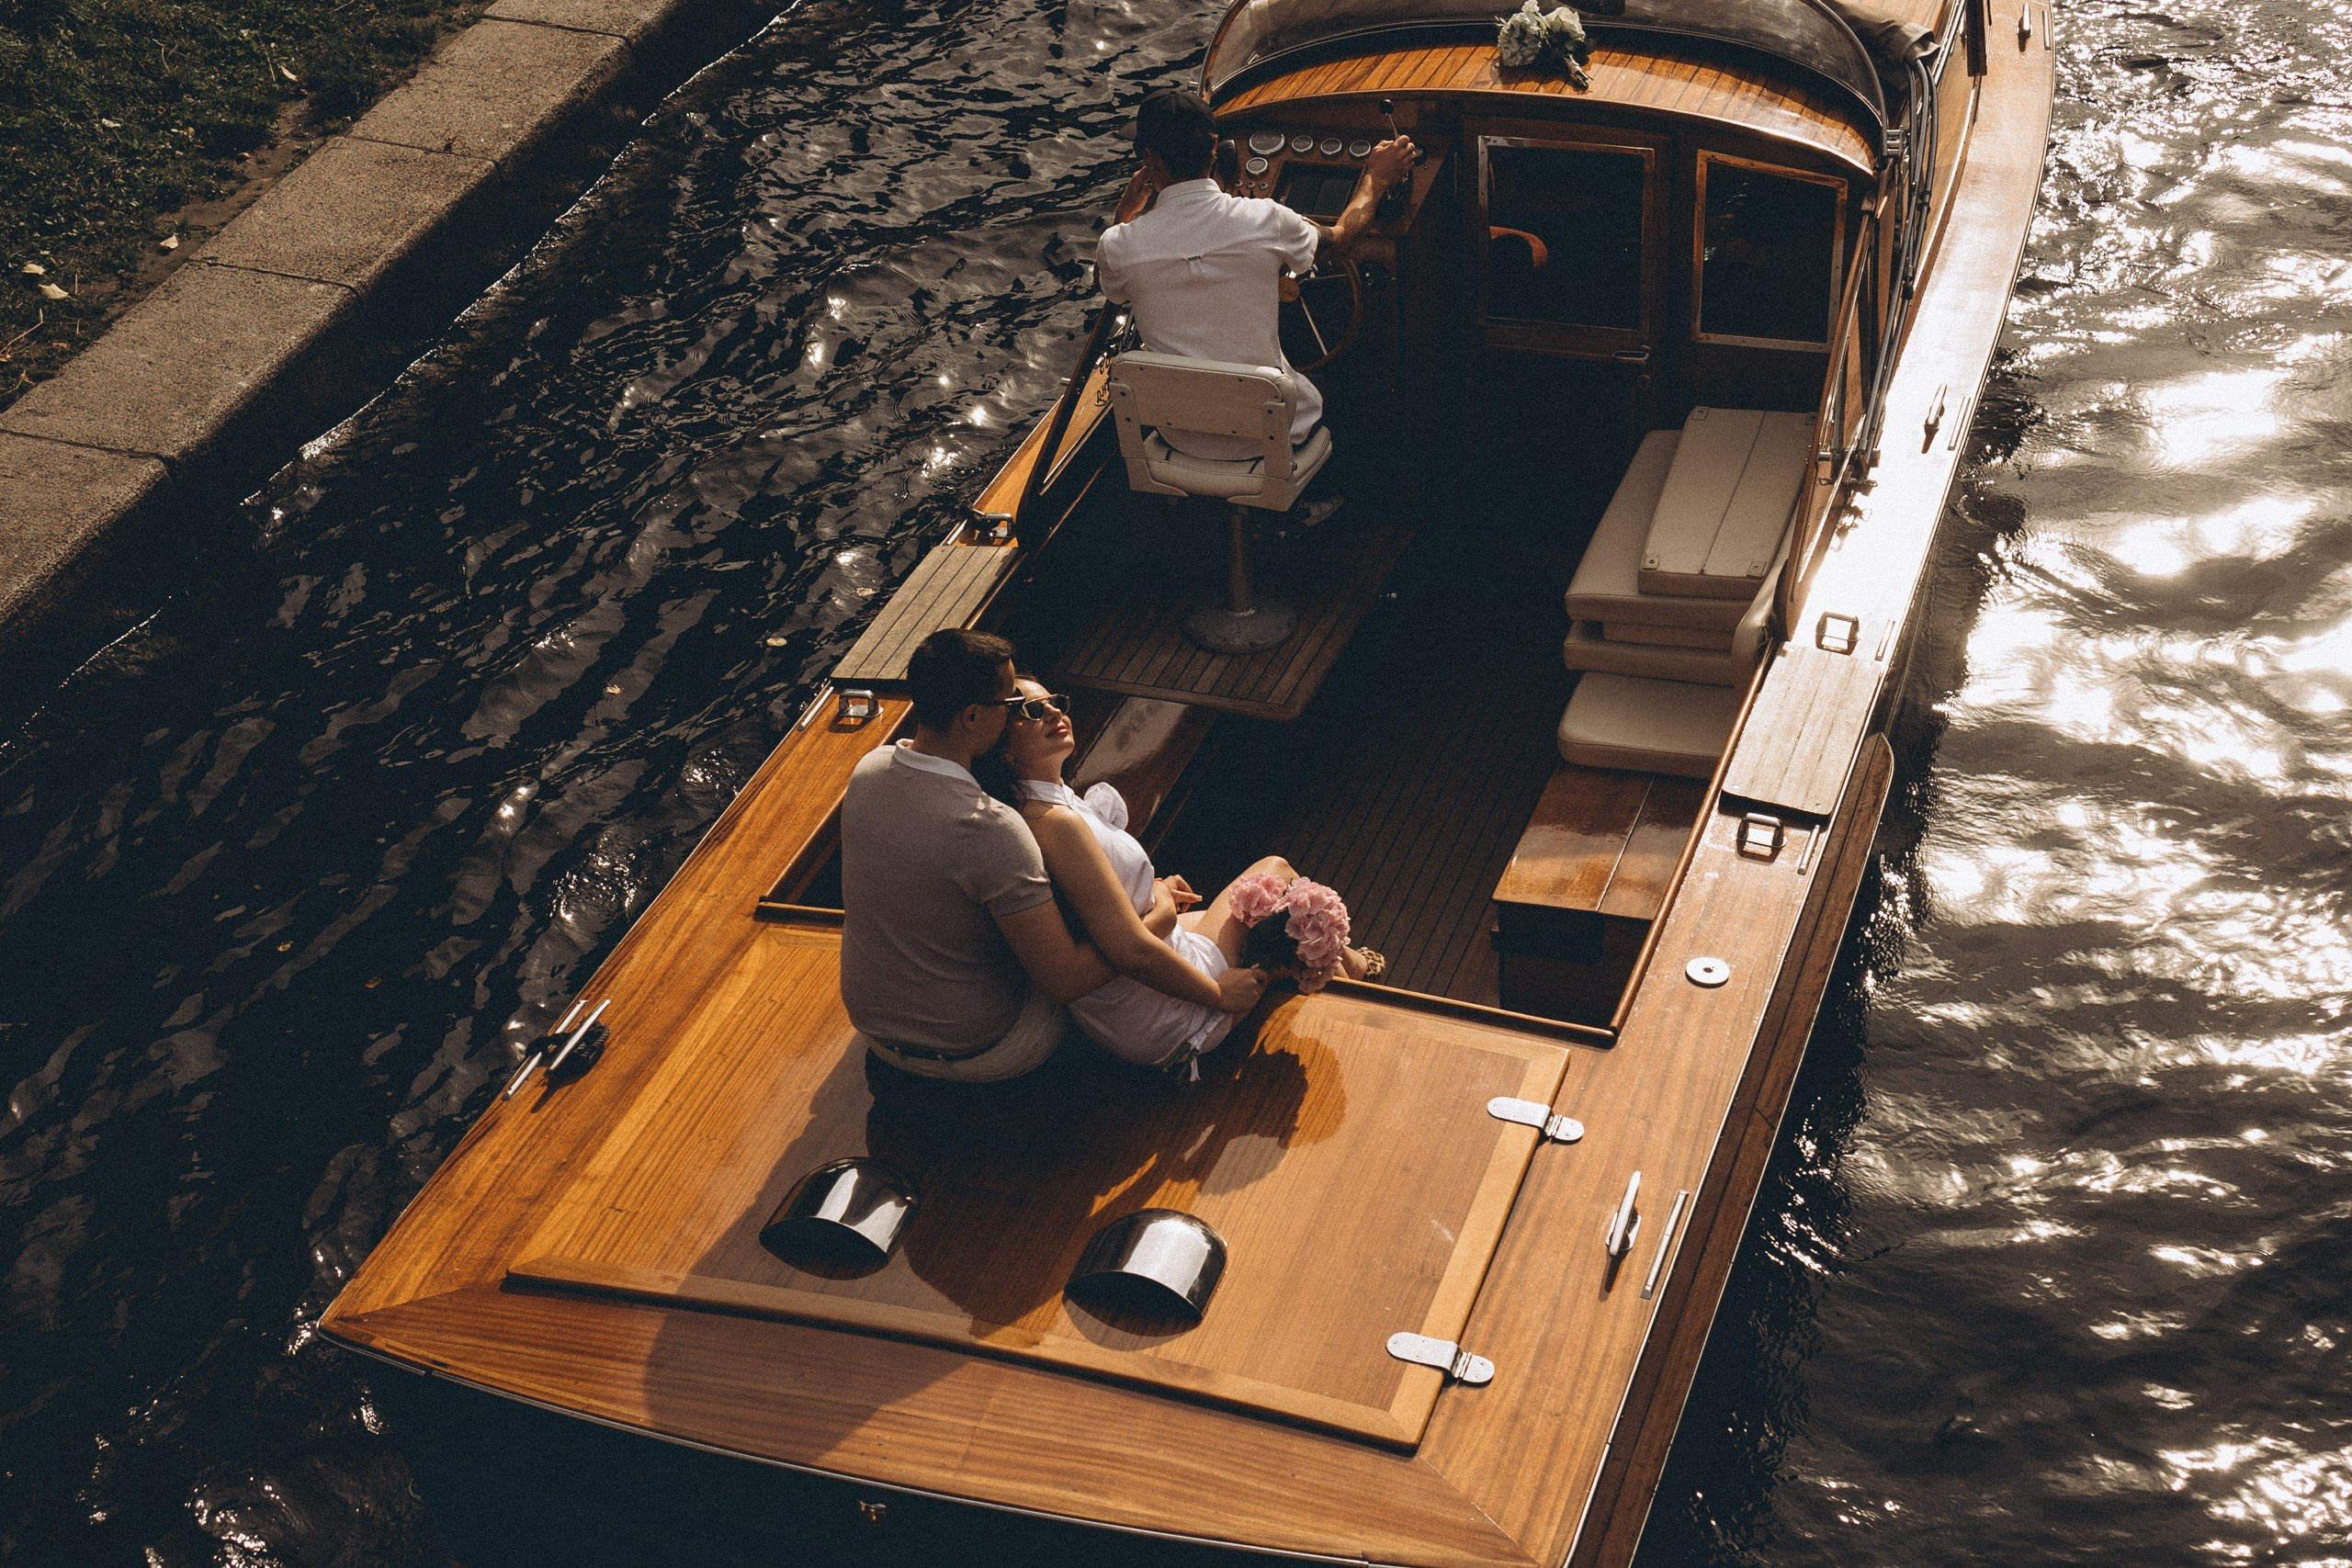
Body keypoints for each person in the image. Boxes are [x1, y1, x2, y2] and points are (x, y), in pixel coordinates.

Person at [978, 675, 1374, 1075]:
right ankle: (1354, 983)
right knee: (1275, 875)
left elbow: (1103, 899)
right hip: (1166, 1013)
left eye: (1057, 702)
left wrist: (1157, 888)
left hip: (1138, 996)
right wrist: (1219, 993)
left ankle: (1346, 968)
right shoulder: (1053, 823)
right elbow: (1131, 951)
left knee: (1272, 918)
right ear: (1003, 750)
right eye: (1031, 710)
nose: (1053, 712)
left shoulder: (1048, 802)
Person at [838, 630, 1124, 1082]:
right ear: (972, 716)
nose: (1017, 714)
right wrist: (1155, 917)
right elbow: (1065, 981)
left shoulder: (869, 769)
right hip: (984, 1048)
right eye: (1010, 705)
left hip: (877, 1032)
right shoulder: (990, 827)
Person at [1092, 87, 1416, 463]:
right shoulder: (1267, 219)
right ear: (1215, 147)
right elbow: (1342, 239)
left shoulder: (1118, 245)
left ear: (1150, 160)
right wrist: (1376, 177)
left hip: (1179, 436)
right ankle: (1325, 502)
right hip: (1273, 435)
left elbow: (1114, 289)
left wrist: (1126, 211)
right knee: (1352, 383)